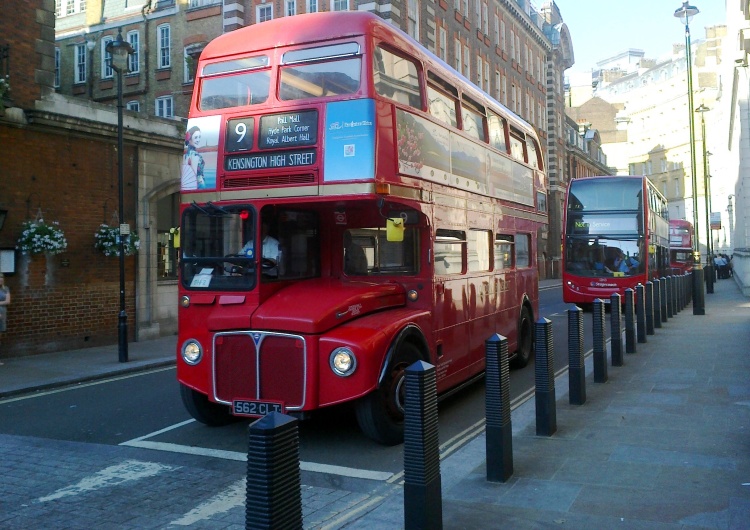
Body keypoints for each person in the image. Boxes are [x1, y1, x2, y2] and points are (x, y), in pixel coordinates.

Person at [181, 126, 206, 190]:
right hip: (199, 185)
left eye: (199, 137)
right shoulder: (195, 156)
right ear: (189, 139)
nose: (198, 140)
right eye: (196, 137)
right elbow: (194, 176)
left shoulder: (185, 156)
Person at [0, 273, 10, 344]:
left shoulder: (6, 288)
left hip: (3, 311)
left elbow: (8, 301)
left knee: (0, 328)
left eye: (2, 278)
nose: (1, 280)